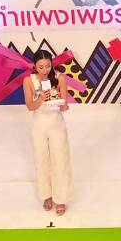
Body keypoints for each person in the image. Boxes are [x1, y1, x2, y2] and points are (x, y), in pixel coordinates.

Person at [23, 52, 73, 214]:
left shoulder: (60, 78)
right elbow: (29, 106)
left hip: (56, 124)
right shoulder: (28, 80)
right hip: (38, 125)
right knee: (41, 160)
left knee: (60, 160)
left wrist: (62, 104)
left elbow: (64, 105)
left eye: (48, 66)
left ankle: (61, 198)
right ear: (34, 66)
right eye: (41, 67)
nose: (45, 70)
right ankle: (46, 196)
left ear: (52, 64)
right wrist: (40, 99)